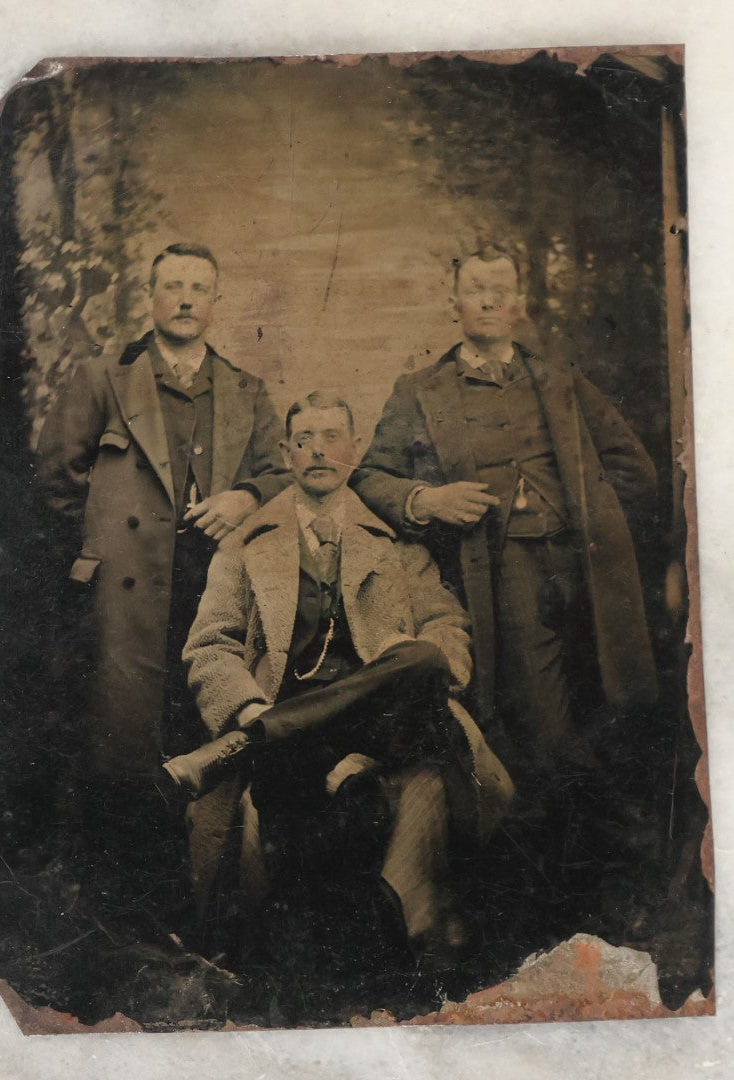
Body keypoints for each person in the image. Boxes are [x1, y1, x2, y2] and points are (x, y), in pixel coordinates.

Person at [350, 243, 659, 920]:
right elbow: (369, 477)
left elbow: (636, 471)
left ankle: (607, 887)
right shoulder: (421, 392)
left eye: (501, 289)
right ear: (453, 304)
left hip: (586, 582)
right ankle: (563, 901)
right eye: (475, 290)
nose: (489, 301)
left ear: (519, 303)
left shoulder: (560, 380)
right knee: (545, 733)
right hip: (505, 578)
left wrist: (598, 525)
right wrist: (428, 502)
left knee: (612, 719)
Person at [163, 392, 513, 975]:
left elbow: (447, 626)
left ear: (354, 451)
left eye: (332, 437)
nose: (319, 450)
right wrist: (247, 708)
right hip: (282, 717)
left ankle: (406, 928)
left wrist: (411, 658)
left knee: (422, 659)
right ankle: (300, 754)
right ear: (286, 452)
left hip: (383, 723)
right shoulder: (246, 545)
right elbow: (210, 645)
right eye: (304, 440)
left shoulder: (398, 544)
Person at [35, 242, 288, 1008]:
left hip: (210, 597)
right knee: (122, 748)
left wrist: (243, 498)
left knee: (199, 741)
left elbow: (278, 470)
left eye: (199, 288)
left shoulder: (244, 389)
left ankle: (198, 923)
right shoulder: (103, 378)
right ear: (149, 296)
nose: (185, 298)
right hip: (127, 599)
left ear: (216, 302)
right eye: (171, 285)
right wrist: (104, 545)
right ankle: (129, 928)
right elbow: (53, 478)